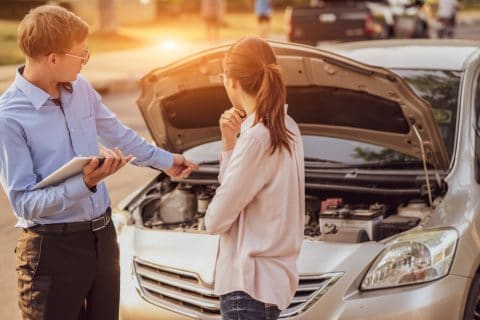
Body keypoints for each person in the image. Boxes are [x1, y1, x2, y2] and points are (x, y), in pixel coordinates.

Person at [0, 5, 196, 320]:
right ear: (53, 58)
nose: (86, 61)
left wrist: (166, 162)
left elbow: (118, 134)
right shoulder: (9, 118)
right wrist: (85, 183)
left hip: (102, 241)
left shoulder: (81, 89)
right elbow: (24, 204)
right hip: (52, 253)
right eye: (82, 55)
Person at [204, 37, 305, 320]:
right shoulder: (289, 127)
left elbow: (215, 220)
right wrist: (229, 143)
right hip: (271, 287)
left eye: (223, 77)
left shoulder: (257, 138)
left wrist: (234, 146)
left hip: (246, 290)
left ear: (232, 81)